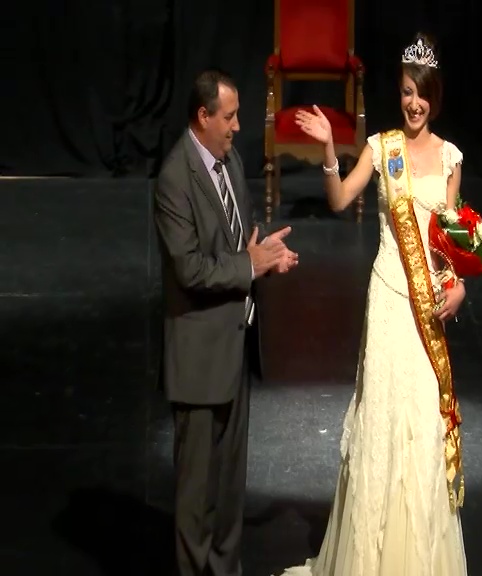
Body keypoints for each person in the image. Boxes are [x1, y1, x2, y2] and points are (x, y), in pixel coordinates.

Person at [279, 33, 468, 575]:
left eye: (422, 95)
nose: (413, 104)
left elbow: (447, 243)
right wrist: (328, 152)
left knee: (421, 426)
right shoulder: (382, 148)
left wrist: (457, 287)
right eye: (407, 92)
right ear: (399, 92)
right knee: (384, 419)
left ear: (435, 98)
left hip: (426, 307)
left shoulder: (450, 159)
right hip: (388, 298)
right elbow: (339, 200)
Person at [154, 69, 299, 576]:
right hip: (198, 360)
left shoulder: (230, 161)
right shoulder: (175, 179)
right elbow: (189, 267)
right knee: (196, 495)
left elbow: (241, 242)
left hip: (236, 345)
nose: (239, 126)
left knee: (231, 482)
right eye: (230, 116)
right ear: (203, 117)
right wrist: (248, 265)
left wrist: (266, 258)